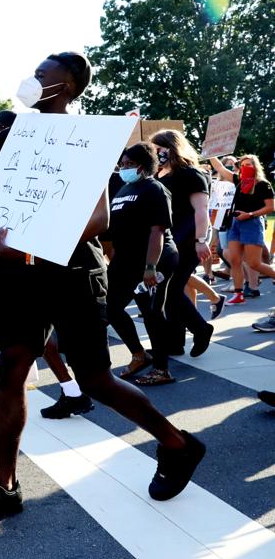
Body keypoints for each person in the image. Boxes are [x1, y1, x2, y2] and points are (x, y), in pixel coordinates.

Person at [0, 53, 205, 522]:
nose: (32, 80)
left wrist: (32, 242)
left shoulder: (89, 138)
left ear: (67, 87)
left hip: (74, 274)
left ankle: (178, 445)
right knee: (14, 365)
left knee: (96, 379)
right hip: (23, 273)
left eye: (43, 76)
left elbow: (99, 220)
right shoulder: (18, 133)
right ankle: (4, 485)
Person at [105, 144, 180, 386]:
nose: (124, 168)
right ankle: (139, 354)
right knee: (111, 308)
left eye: (129, 164)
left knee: (151, 313)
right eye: (122, 164)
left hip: (154, 259)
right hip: (125, 260)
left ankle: (161, 369)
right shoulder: (123, 188)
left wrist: (150, 267)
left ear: (143, 165)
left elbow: (157, 231)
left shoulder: (154, 188)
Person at [150, 131, 216, 361]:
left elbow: (201, 210)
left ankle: (201, 329)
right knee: (169, 292)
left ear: (171, 147)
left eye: (159, 148)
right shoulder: (162, 175)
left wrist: (200, 241)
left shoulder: (192, 174)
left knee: (171, 292)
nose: (156, 153)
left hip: (187, 242)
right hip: (169, 242)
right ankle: (175, 343)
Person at [209, 154, 275, 305]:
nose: (245, 168)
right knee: (235, 260)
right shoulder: (239, 181)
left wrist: (250, 214)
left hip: (251, 224)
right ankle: (238, 294)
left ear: (256, 166)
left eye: (249, 165)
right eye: (242, 165)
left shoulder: (263, 184)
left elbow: (271, 207)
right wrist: (211, 152)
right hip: (235, 224)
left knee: (254, 263)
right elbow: (219, 167)